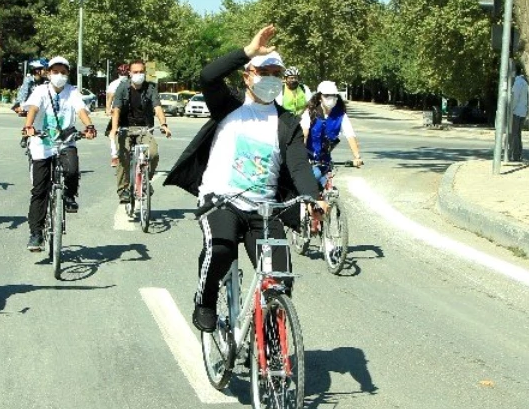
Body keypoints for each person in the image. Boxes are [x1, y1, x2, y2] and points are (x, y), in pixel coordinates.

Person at [164, 25, 326, 332]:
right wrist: (248, 51)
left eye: (277, 73)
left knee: (279, 278)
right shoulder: (230, 106)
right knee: (222, 249)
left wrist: (313, 199)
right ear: (247, 76)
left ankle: (271, 347)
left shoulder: (286, 122)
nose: (271, 78)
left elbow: (299, 168)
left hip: (263, 209)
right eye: (264, 71)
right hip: (221, 200)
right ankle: (206, 299)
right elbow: (208, 76)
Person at [22, 56, 97, 251]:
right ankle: (36, 233)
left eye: (63, 72)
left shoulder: (72, 92)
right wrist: (28, 126)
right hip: (41, 143)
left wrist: (89, 125)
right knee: (40, 190)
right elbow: (33, 108)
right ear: (48, 73)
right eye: (55, 72)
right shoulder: (40, 91)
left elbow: (80, 110)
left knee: (72, 170)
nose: (59, 76)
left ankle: (70, 197)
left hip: (65, 141)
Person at [109, 59, 172, 204]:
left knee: (153, 153)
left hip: (145, 128)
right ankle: (123, 190)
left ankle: (145, 181)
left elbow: (157, 107)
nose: (139, 75)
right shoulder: (122, 87)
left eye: (141, 72)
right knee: (122, 156)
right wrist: (114, 129)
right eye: (135, 72)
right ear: (130, 73)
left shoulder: (150, 88)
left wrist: (164, 124)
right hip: (125, 128)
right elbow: (116, 109)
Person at [300, 80, 363, 187]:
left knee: (329, 191)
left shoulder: (340, 115)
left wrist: (357, 157)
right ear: (320, 97)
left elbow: (350, 135)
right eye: (327, 95)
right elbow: (304, 136)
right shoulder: (310, 113)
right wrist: (301, 158)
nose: (331, 98)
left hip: (326, 161)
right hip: (309, 161)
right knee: (312, 186)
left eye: (334, 95)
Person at [509, 68, 529, 163]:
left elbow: (514, 98)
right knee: (518, 134)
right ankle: (518, 153)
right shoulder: (524, 82)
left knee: (515, 134)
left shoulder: (517, 83)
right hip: (523, 111)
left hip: (516, 111)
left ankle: (515, 155)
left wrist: (510, 110)